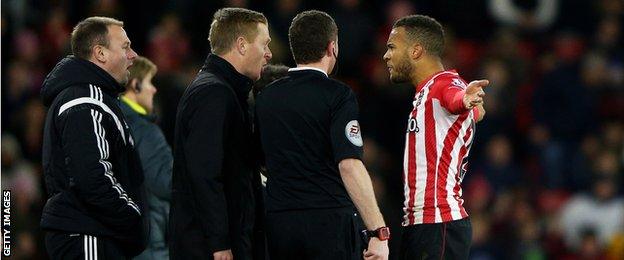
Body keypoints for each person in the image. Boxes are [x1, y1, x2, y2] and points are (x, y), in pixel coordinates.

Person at [255, 10, 389, 260]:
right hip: (328, 225)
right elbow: (349, 165)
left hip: (279, 225)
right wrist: (377, 231)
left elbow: (261, 161)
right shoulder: (338, 95)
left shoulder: (265, 98)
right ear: (332, 47)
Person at [169, 7, 272, 260]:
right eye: (264, 44)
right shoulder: (213, 94)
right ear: (241, 45)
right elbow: (204, 175)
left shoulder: (228, 91)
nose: (269, 54)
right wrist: (219, 244)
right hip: (210, 249)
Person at [40, 16, 146, 259]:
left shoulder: (95, 98)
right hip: (89, 235)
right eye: (125, 47)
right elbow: (92, 175)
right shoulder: (86, 99)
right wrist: (133, 216)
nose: (134, 56)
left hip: (94, 235)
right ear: (100, 53)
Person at [382, 14, 487, 259]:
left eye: (392, 47)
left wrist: (465, 100)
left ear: (416, 50)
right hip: (423, 222)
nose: (386, 55)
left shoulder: (444, 83)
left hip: (438, 221)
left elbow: (454, 98)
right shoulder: (426, 91)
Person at [118, 56, 172, 260]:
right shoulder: (145, 131)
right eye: (149, 82)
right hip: (149, 240)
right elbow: (165, 183)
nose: (154, 89)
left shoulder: (110, 121)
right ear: (136, 85)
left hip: (122, 238)